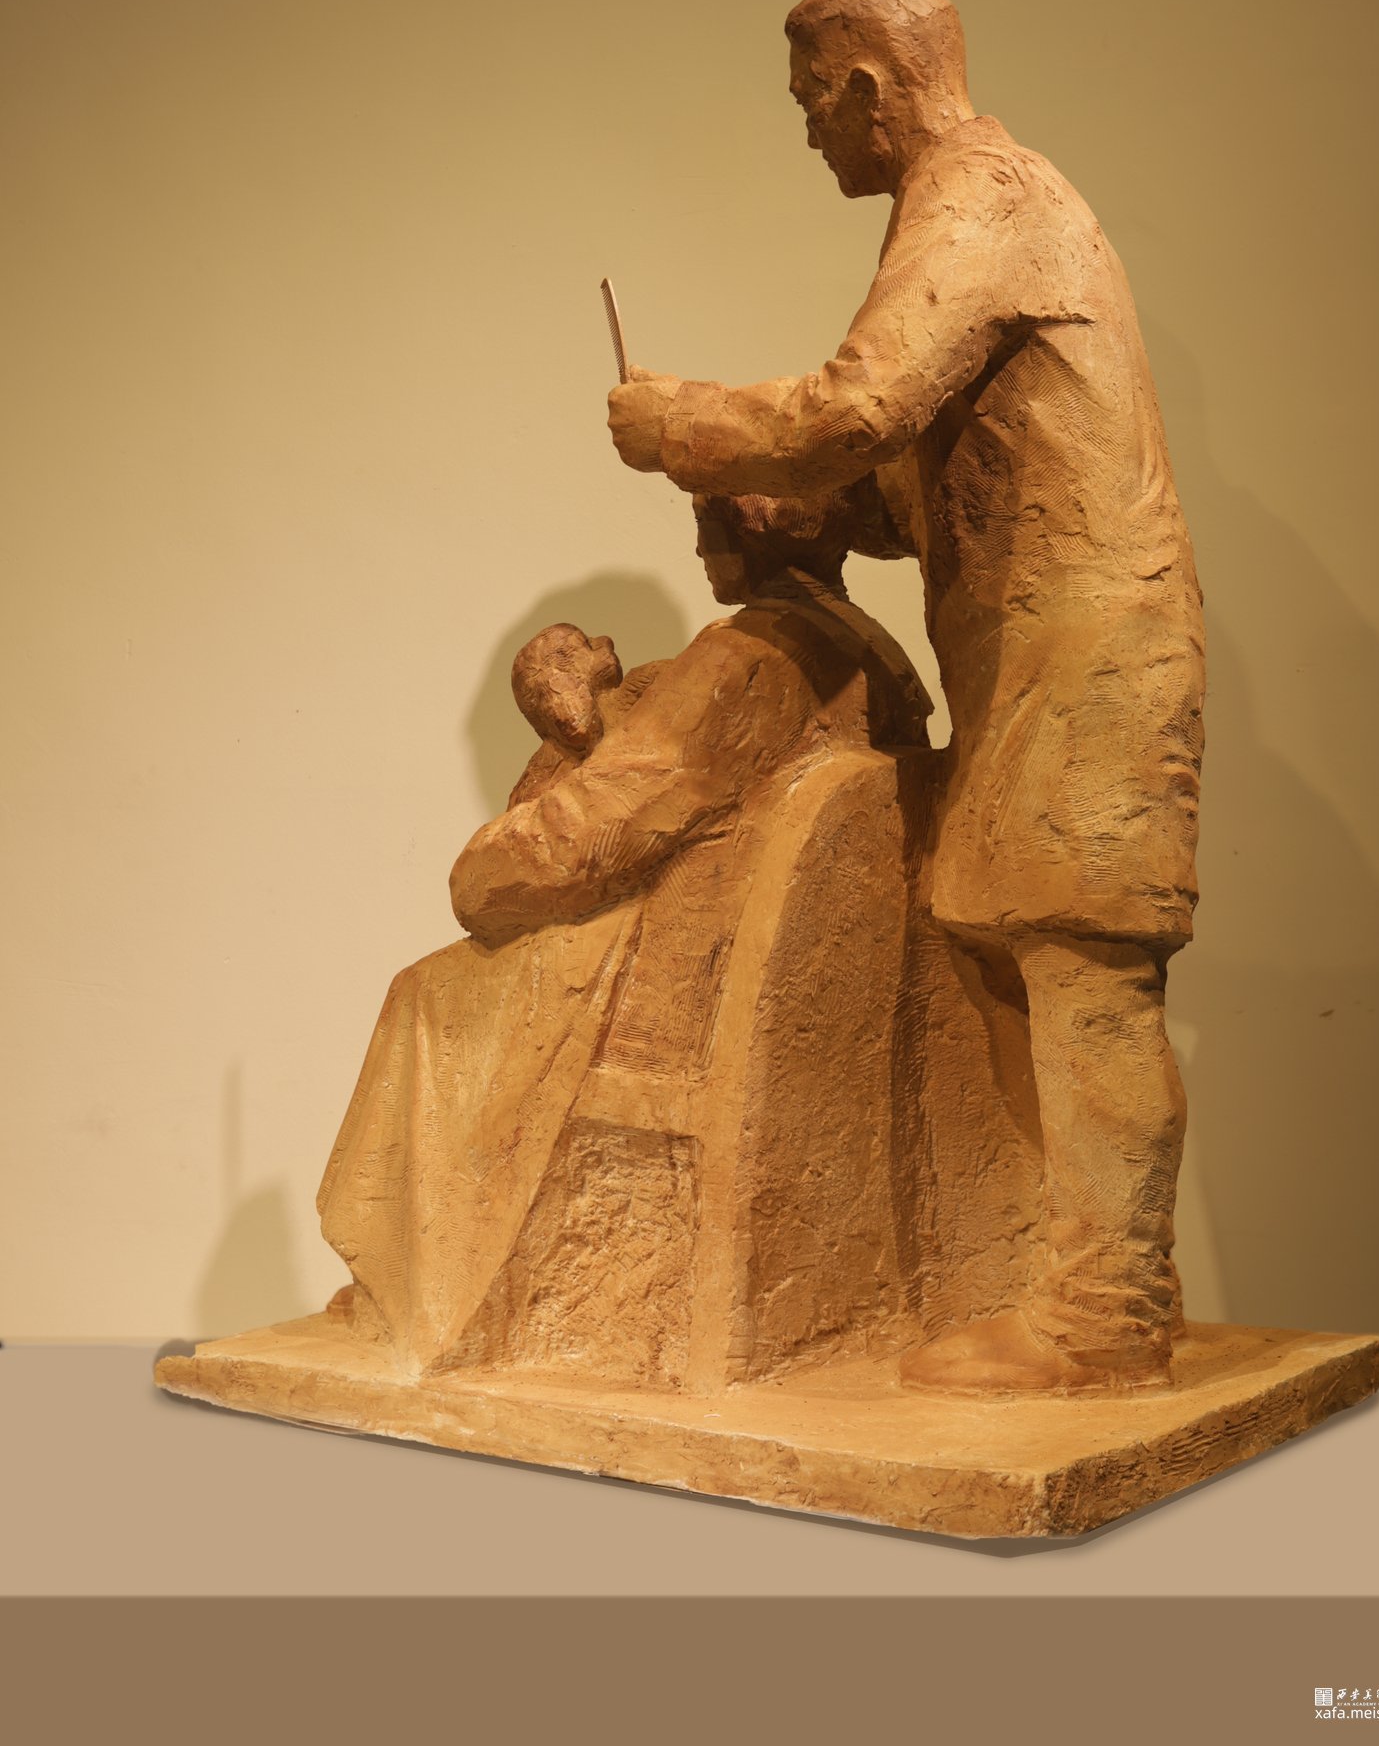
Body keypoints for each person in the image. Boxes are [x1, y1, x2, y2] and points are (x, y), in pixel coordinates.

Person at [607, 0, 1206, 1392]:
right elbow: (921, 465)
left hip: (1088, 648)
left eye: (811, 102)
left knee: (1082, 970)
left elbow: (864, 401)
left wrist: (683, 422)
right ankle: (1070, 1287)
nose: (809, 131)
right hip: (1038, 654)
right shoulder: (968, 209)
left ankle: (1109, 1312)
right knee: (1027, 958)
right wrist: (801, 507)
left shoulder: (984, 201)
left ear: (868, 88)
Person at [318, 497, 929, 1375]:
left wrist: (477, 873)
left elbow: (596, 828)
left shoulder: (743, 658)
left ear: (750, 527)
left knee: (423, 994)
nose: (699, 538)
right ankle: (432, 1272)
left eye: (710, 513)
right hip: (752, 955)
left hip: (670, 962)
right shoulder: (874, 655)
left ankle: (420, 1282)